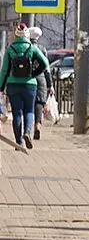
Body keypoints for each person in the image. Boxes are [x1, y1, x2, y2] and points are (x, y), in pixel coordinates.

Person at [0, 22, 49, 150]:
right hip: (30, 85)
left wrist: (1, 87)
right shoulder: (32, 48)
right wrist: (34, 73)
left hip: (13, 85)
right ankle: (27, 132)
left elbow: (4, 70)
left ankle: (18, 143)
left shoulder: (10, 49)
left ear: (16, 35)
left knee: (17, 113)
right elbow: (45, 63)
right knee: (29, 110)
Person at [28, 26, 47, 140]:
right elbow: (47, 67)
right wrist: (50, 85)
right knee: (39, 103)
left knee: (29, 103)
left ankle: (27, 129)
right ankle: (38, 126)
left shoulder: (27, 48)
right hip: (41, 78)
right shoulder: (42, 49)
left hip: (28, 78)